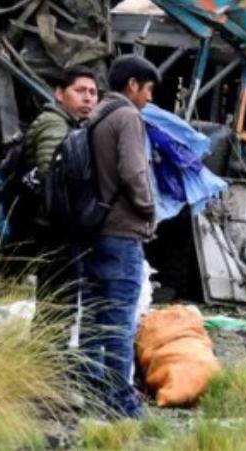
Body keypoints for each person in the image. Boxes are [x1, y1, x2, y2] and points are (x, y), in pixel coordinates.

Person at [82, 54, 160, 419]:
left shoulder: (96, 115)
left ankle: (90, 388)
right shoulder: (127, 115)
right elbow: (133, 172)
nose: (149, 99)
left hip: (95, 229)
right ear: (132, 85)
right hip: (122, 231)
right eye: (148, 90)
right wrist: (148, 209)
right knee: (120, 318)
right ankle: (121, 403)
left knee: (97, 314)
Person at [25, 66, 99, 353]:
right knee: (57, 302)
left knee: (60, 300)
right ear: (59, 93)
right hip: (54, 230)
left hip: (58, 228)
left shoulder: (71, 126)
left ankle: (47, 366)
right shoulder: (54, 125)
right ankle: (45, 370)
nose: (88, 99)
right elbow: (53, 179)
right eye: (80, 91)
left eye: (93, 93)